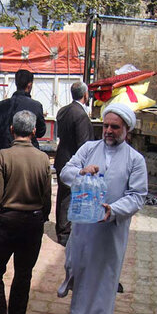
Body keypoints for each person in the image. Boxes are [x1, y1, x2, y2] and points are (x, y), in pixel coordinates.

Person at [57, 103, 147, 314]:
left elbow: (138, 196)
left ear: (126, 129)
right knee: (81, 268)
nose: (108, 130)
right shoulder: (88, 148)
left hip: (110, 231)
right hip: (84, 227)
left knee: (104, 278)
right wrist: (81, 172)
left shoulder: (135, 160)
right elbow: (66, 172)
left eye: (114, 127)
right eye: (106, 125)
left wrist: (113, 211)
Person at [0, 110, 51, 314]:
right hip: (33, 222)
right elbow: (46, 197)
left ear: (12, 130)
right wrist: (43, 217)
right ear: (34, 132)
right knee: (24, 273)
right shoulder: (43, 159)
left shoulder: (2, 156)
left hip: (7, 221)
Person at [54, 82, 94, 246]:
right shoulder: (80, 115)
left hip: (61, 157)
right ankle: (65, 232)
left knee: (63, 196)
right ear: (85, 95)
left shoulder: (64, 110)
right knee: (69, 197)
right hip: (72, 161)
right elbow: (83, 144)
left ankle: (62, 229)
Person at [0, 69, 46, 150]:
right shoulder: (36, 106)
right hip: (29, 152)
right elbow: (40, 132)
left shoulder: (1, 105)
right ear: (29, 85)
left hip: (6, 150)